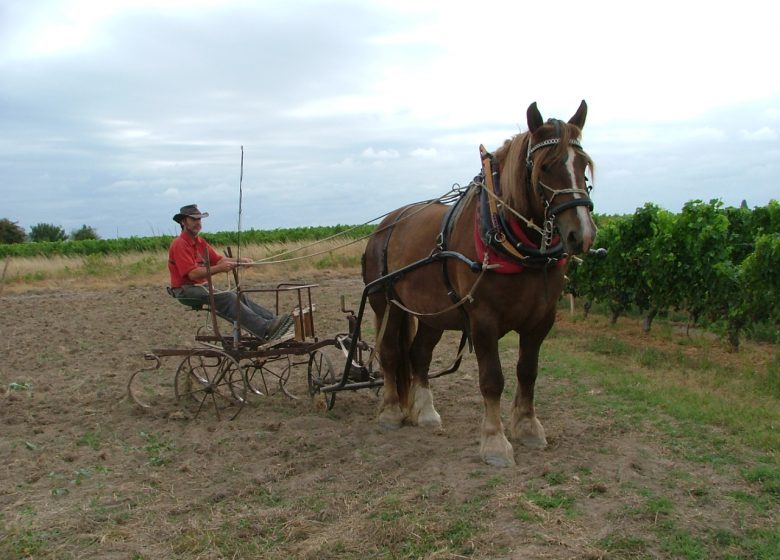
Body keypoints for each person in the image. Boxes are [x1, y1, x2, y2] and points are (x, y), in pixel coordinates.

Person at [168, 204, 293, 341]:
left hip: (200, 286)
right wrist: (220, 269)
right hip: (185, 290)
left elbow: (218, 260)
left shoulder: (200, 242)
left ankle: (274, 321)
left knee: (239, 296)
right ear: (183, 222)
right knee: (228, 297)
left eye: (199, 219)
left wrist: (240, 261)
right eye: (194, 219)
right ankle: (265, 328)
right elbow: (193, 274)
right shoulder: (180, 244)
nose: (198, 223)